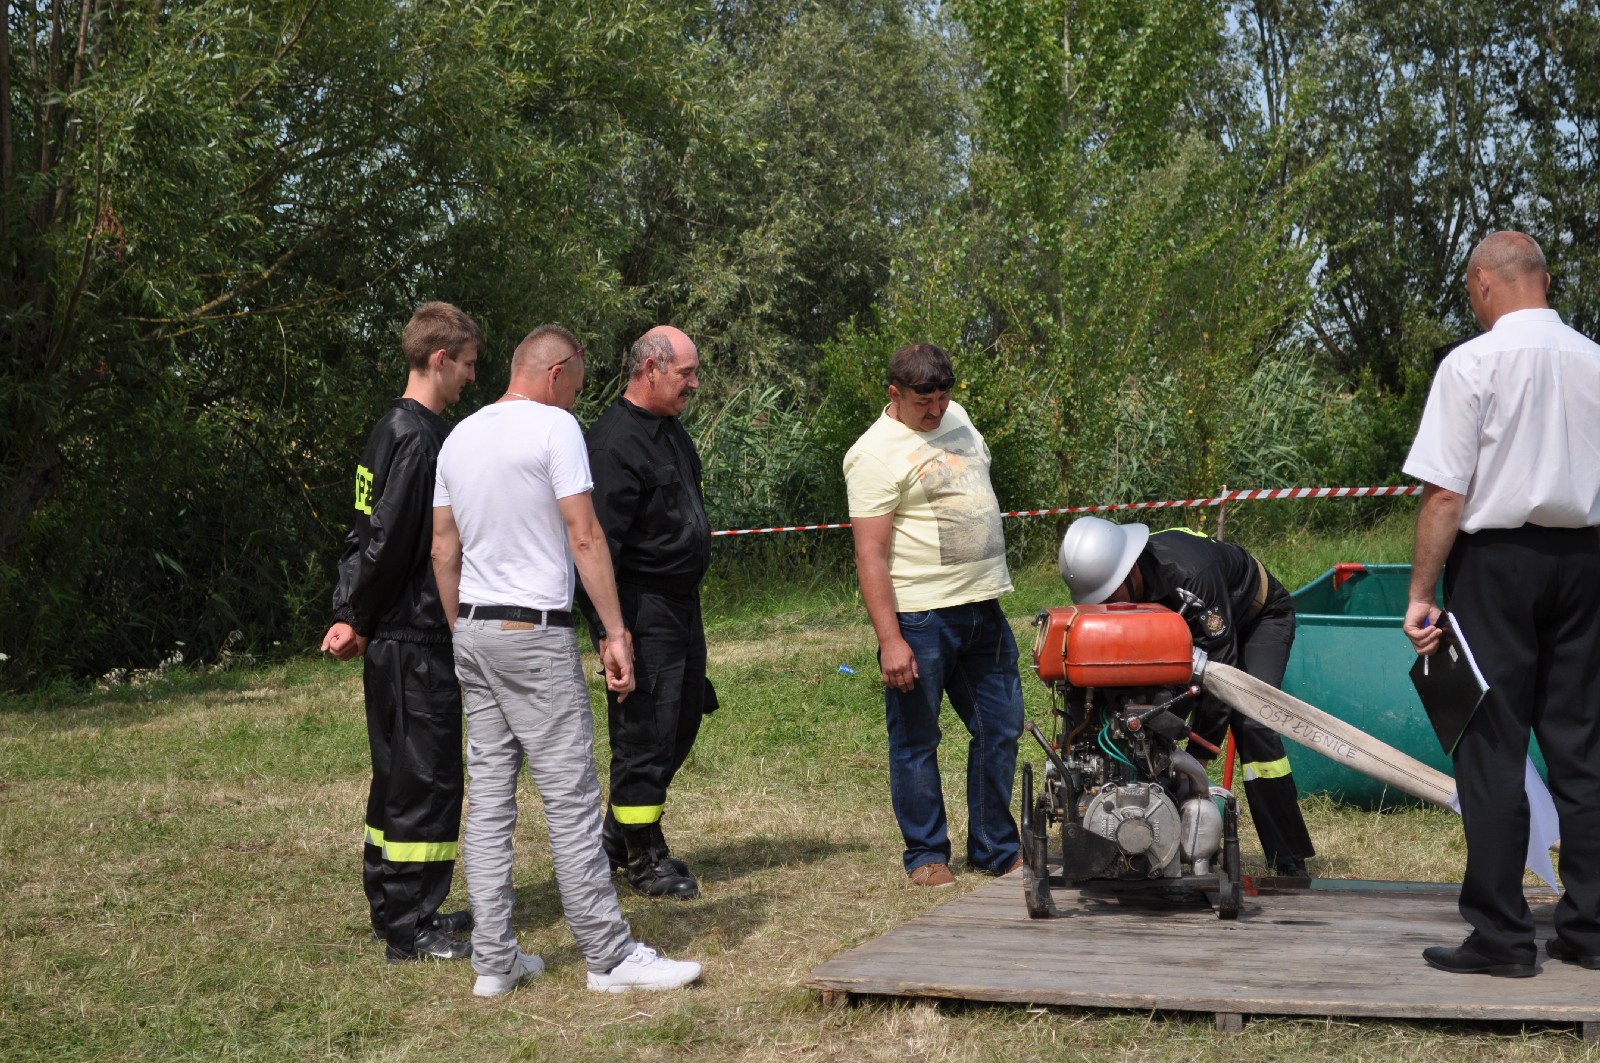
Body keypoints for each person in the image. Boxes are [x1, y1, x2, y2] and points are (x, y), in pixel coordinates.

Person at [431, 324, 703, 998]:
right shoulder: (556, 429)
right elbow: (585, 536)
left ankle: (494, 961)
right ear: (557, 372)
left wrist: (461, 630)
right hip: (534, 633)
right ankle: (609, 956)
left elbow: (443, 548)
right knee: (572, 799)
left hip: (475, 629)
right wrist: (614, 629)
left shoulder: (459, 436)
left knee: (489, 803)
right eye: (579, 381)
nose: (582, 394)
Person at [1402, 230, 1600, 979]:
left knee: (1489, 747)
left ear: (1484, 282)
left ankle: (1503, 936)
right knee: (1583, 747)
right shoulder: (1594, 360)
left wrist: (1421, 593)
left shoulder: (1472, 363)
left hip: (1495, 567)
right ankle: (1591, 927)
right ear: (1542, 279)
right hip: (1585, 560)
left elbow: (1445, 495)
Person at [322, 301, 479, 964]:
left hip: (389, 636)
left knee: (394, 776)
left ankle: (394, 905)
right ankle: (411, 925)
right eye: (467, 363)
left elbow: (360, 532)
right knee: (425, 778)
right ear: (439, 359)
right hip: (415, 636)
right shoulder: (421, 438)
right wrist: (356, 614)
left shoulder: (387, 428)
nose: (472, 376)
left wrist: (350, 611)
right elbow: (388, 543)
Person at [843, 342, 1024, 888]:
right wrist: (890, 640)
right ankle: (925, 854)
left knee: (1001, 727)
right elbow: (870, 555)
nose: (936, 410)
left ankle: (994, 848)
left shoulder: (958, 417)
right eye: (924, 401)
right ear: (894, 394)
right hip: (921, 617)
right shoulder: (872, 454)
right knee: (917, 740)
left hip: (983, 606)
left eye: (943, 397)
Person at [1057, 516, 1317, 878]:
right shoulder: (1116, 578)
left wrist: (1199, 756)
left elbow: (1221, 672)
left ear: (1130, 571)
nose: (1106, 605)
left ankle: (1289, 857)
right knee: (1146, 711)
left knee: (1253, 720)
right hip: (1193, 632)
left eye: (1110, 596)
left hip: (1254, 619)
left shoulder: (1192, 575)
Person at [579, 326, 712, 900]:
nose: (695, 384)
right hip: (641, 607)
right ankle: (642, 859)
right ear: (651, 369)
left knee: (681, 721)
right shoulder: (613, 443)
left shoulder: (670, 431)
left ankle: (620, 834)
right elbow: (594, 547)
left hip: (682, 605)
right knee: (644, 735)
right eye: (686, 373)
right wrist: (610, 632)